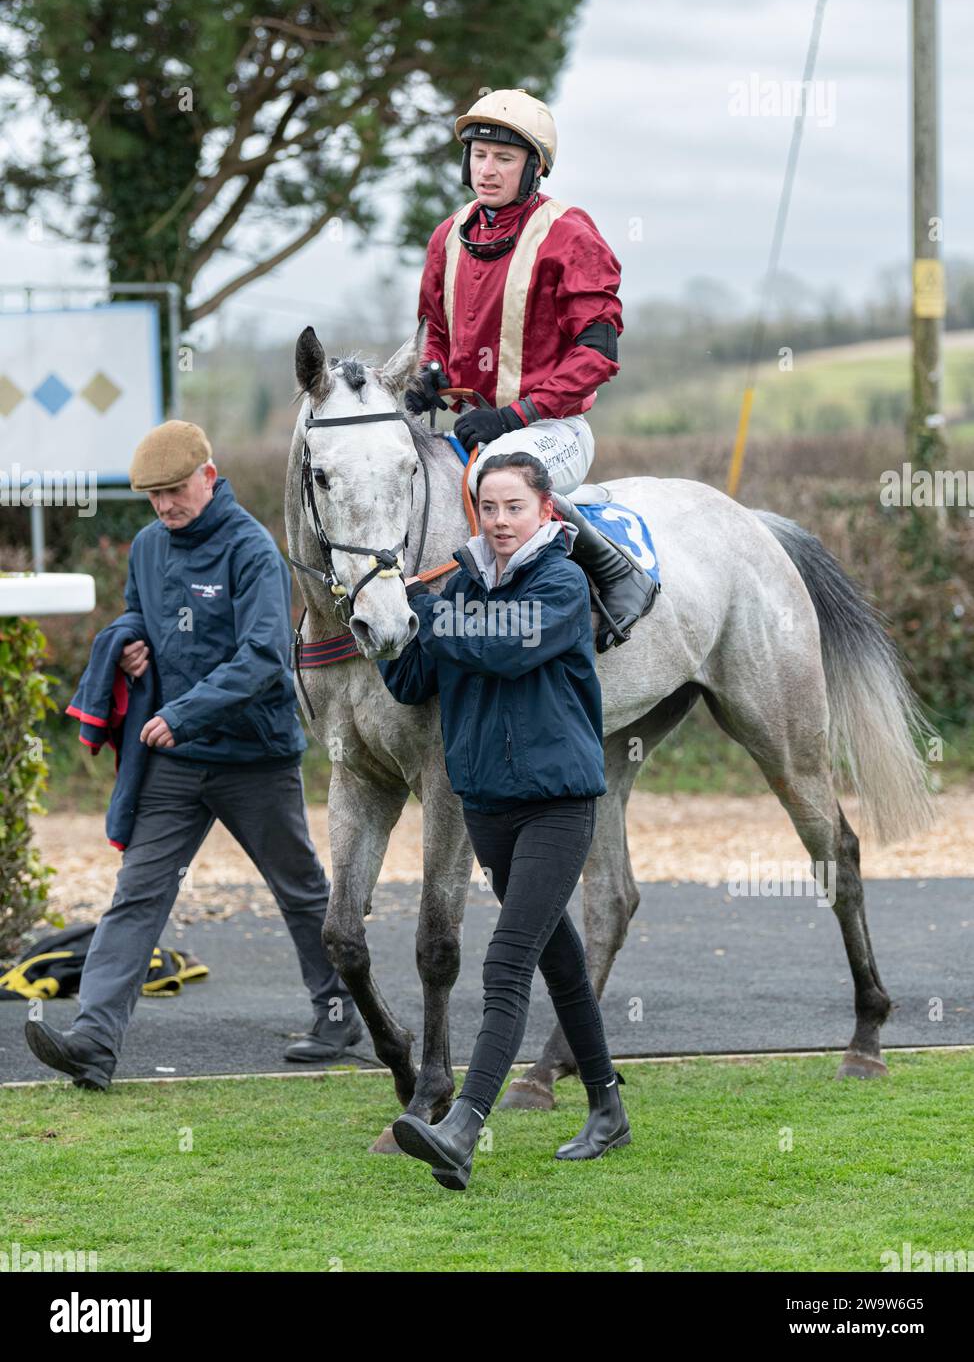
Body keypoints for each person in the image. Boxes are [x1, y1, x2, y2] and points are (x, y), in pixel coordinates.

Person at [24, 420, 363, 1090]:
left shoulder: (252, 551)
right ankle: (94, 1040)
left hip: (253, 757)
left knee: (298, 890)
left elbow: (265, 658)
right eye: (153, 497)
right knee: (136, 895)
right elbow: (134, 617)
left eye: (175, 491)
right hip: (175, 760)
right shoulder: (149, 547)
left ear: (208, 475)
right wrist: (125, 644)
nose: (165, 506)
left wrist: (180, 713)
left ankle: (339, 1011)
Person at [377, 450, 631, 1190]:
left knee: (506, 961)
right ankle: (608, 1109)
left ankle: (462, 1127)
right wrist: (387, 622)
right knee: (559, 963)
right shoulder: (457, 587)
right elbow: (413, 678)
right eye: (487, 509)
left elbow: (504, 649)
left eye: (513, 507)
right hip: (487, 807)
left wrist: (433, 613)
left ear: (545, 509)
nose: (499, 521)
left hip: (557, 804)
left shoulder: (561, 581)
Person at [405, 86, 657, 651]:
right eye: (478, 155)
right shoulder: (448, 236)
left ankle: (618, 573)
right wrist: (430, 375)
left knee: (496, 473)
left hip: (553, 430)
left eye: (504, 158)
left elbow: (597, 354)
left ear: (533, 168)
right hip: (472, 429)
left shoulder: (569, 233)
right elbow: (434, 335)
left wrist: (514, 415)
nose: (487, 170)